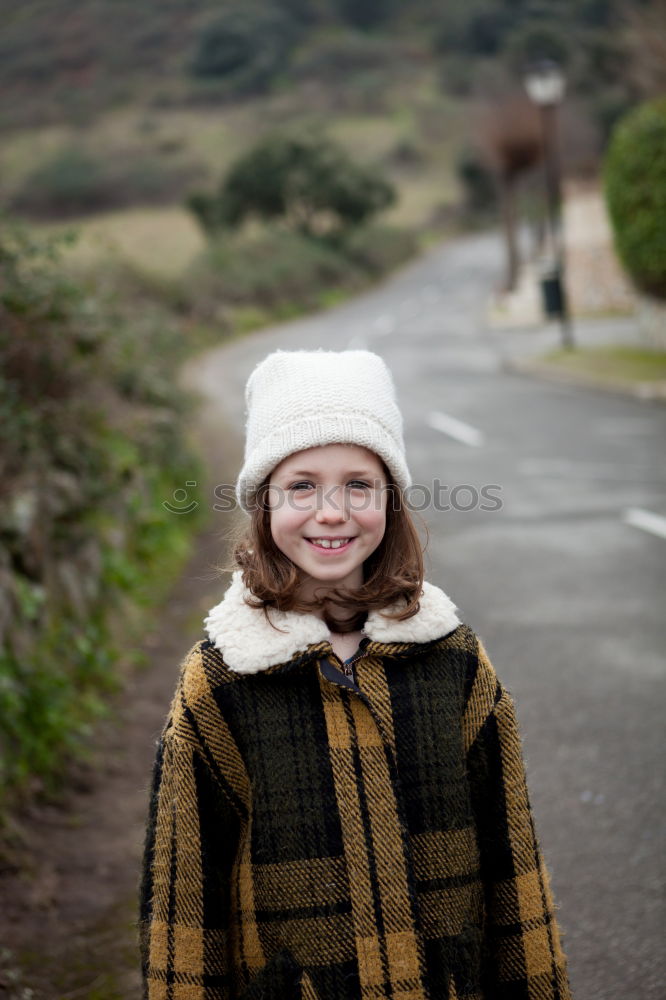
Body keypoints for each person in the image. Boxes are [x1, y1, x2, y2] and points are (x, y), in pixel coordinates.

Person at [139, 349, 571, 1000]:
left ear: (391, 502)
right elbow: (185, 899)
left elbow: (514, 864)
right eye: (303, 485)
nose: (332, 511)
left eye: (359, 485)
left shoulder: (453, 660)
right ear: (264, 504)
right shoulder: (220, 681)